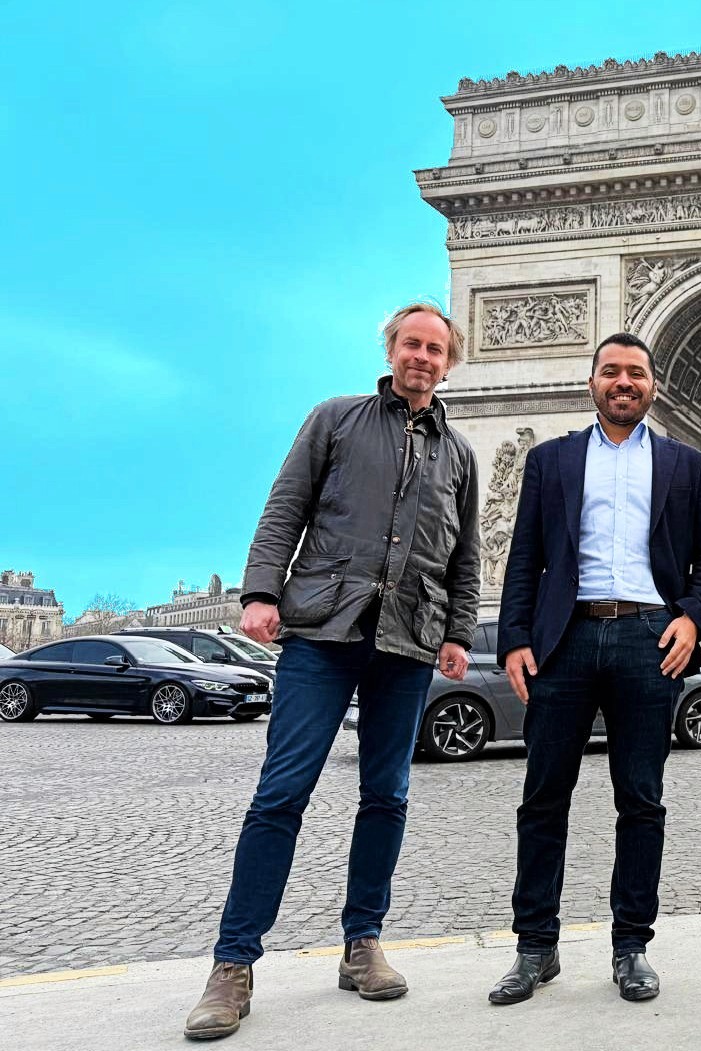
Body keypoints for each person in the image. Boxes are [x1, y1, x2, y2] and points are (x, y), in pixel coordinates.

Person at [184, 302, 481, 1041]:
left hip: (409, 640)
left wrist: (457, 632)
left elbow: (466, 554)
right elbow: (285, 506)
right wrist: (259, 592)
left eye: (435, 348)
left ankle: (363, 942)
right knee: (281, 792)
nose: (422, 356)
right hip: (322, 631)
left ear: (451, 361)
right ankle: (233, 963)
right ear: (391, 349)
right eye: (411, 343)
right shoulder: (335, 418)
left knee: (388, 794)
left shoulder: (463, 453)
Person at [488, 333, 701, 1006]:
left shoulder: (686, 464)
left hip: (650, 636)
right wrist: (513, 638)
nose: (625, 382)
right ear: (591, 381)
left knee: (641, 799)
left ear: (655, 386)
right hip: (563, 639)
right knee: (542, 799)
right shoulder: (548, 459)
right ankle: (535, 946)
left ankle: (632, 946)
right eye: (612, 371)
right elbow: (523, 555)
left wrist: (692, 617)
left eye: (637, 373)